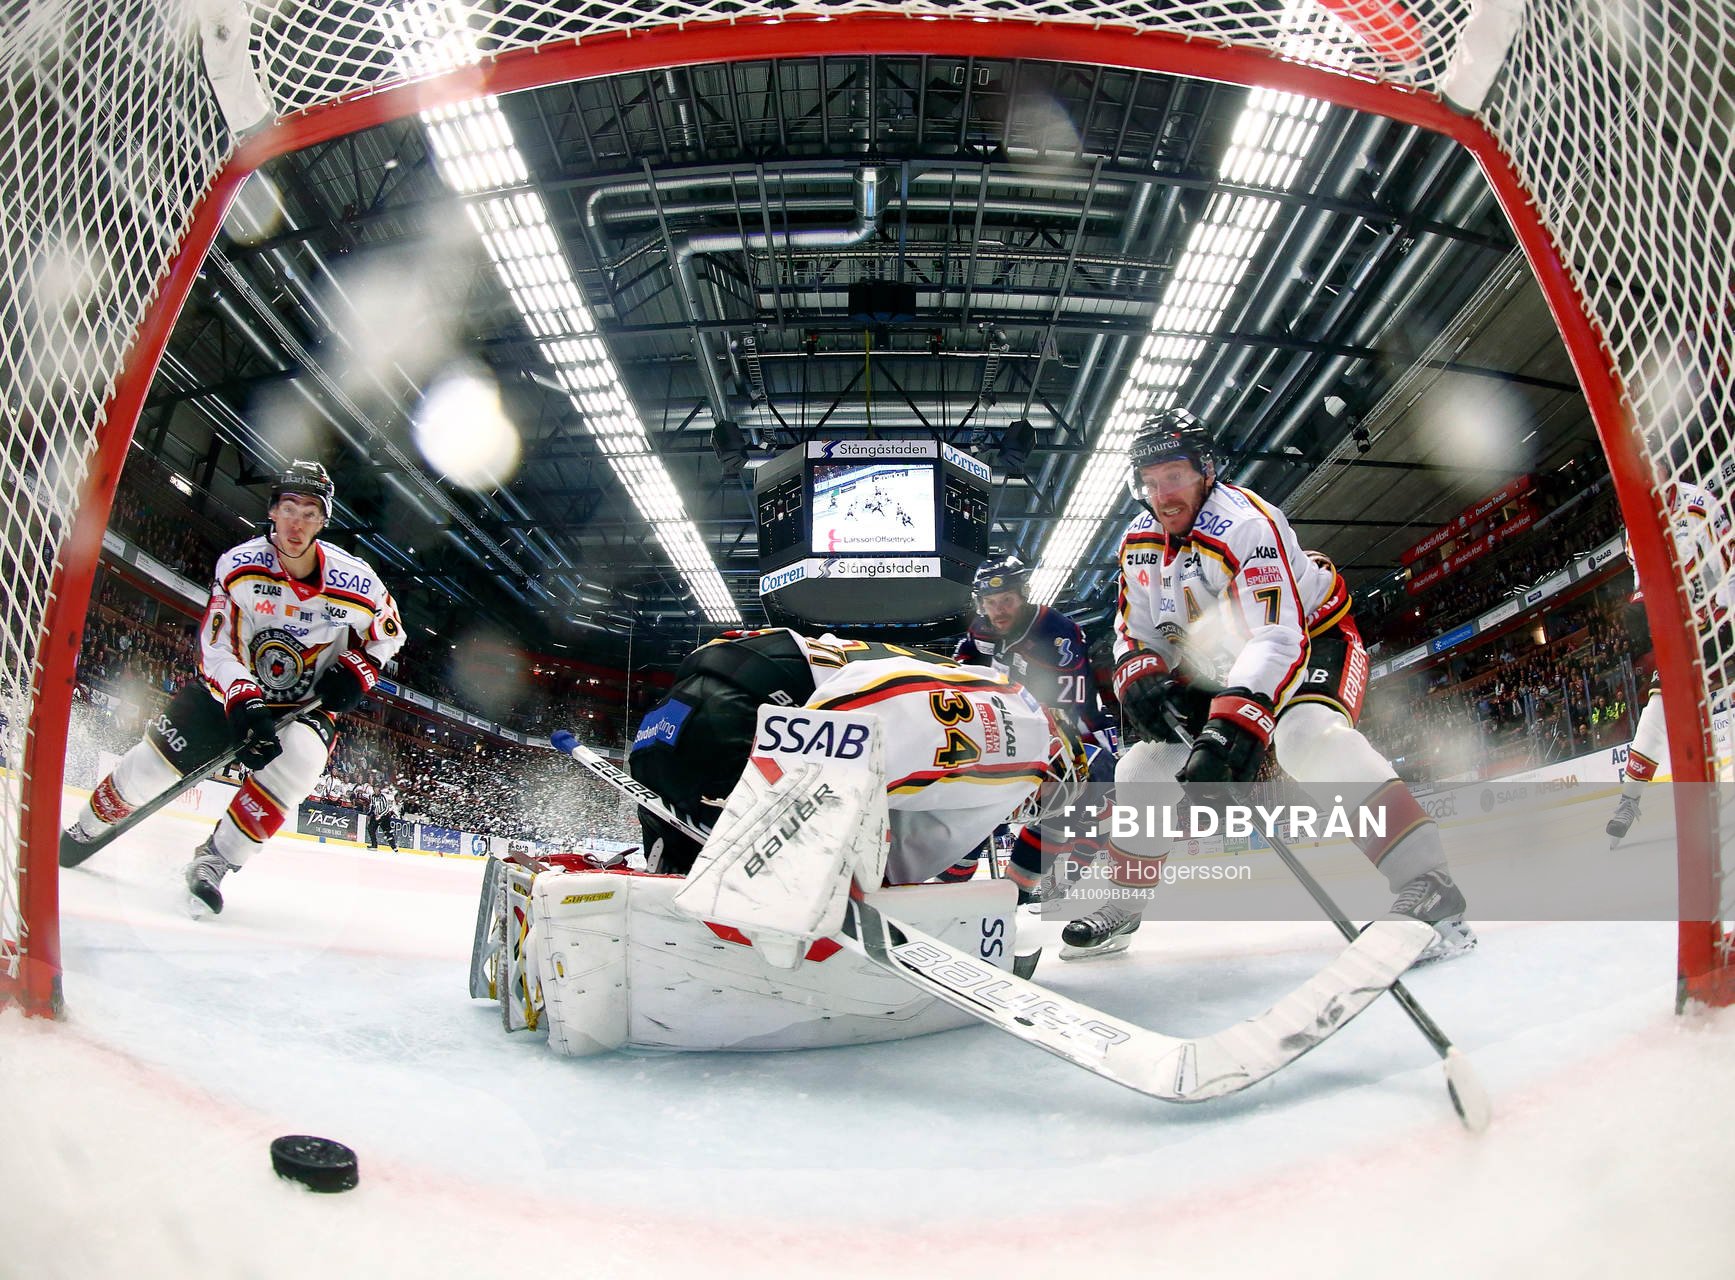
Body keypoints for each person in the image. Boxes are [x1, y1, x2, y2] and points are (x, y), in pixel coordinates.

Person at [1067, 408, 1476, 961]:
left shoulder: (1245, 525)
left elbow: (1278, 639)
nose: (1164, 493)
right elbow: (1133, 632)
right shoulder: (1138, 542)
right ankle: (1124, 904)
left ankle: (1430, 887)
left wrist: (1231, 729)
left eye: (1176, 475)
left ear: (1206, 472)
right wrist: (1136, 672)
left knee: (1308, 738)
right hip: (1219, 661)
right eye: (1152, 480)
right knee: (1142, 770)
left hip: (1311, 639)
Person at [61, 460, 406, 915]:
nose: (296, 522)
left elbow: (391, 633)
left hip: (304, 706)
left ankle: (215, 862)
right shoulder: (240, 567)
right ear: (272, 511)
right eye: (288, 507)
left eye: (309, 511)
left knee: (301, 761)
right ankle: (87, 826)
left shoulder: (356, 580)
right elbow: (217, 645)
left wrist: (360, 666)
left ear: (324, 520)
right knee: (150, 768)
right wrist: (243, 698)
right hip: (228, 692)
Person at [626, 627, 1079, 887]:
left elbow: (900, 838)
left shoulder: (965, 695)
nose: (1026, 810)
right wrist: (789, 777)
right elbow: (897, 706)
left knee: (676, 886)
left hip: (675, 721)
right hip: (755, 713)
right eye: (1044, 798)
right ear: (1057, 757)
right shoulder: (1026, 728)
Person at [946, 553, 1118, 902]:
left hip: (1072, 731)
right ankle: (947, 888)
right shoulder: (980, 630)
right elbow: (961, 675)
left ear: (1024, 594)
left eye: (1007, 600)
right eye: (991, 602)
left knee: (1086, 787)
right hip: (1017, 726)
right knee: (976, 795)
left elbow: (1067, 710)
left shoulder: (1059, 633)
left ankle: (1027, 887)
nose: (999, 610)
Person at [1606, 473, 1732, 845]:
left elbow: (1729, 562)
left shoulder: (1698, 504)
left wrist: (1723, 616)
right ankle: (1629, 802)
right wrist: (1642, 606)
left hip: (1722, 617)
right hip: (1685, 632)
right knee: (1657, 711)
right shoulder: (1634, 529)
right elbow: (1642, 584)